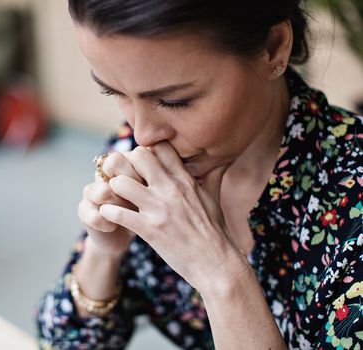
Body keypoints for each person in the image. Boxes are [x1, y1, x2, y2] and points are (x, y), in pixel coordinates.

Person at [36, 1, 363, 348]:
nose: (143, 133)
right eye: (114, 92)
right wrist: (103, 253)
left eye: (176, 101)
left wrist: (219, 273)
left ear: (273, 48)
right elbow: (63, 342)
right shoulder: (137, 151)